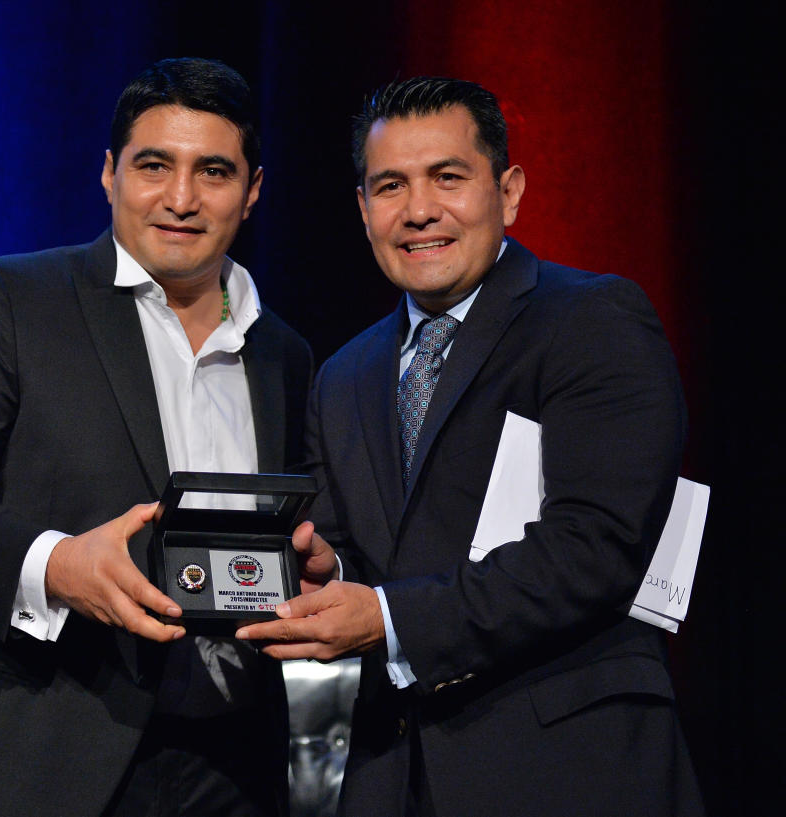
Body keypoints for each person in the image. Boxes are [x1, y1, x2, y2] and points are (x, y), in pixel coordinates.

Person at [237, 77, 705, 816]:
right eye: (390, 185)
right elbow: (364, 564)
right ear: (363, 210)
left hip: (569, 771)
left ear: (509, 191)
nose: (419, 209)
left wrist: (387, 617)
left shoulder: (592, 319)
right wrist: (330, 570)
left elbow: (598, 548)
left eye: (448, 177)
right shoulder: (342, 375)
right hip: (394, 776)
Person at [0, 58, 311, 817]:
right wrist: (57, 564)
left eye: (212, 171)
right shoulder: (10, 298)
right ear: (109, 174)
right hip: (29, 751)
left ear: (254, 190)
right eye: (152, 165)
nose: (180, 198)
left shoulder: (286, 354)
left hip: (233, 765)